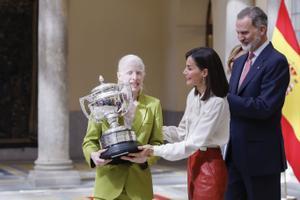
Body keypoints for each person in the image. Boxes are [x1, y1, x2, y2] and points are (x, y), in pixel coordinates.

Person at [124, 47, 230, 200]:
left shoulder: (217, 102)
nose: (184, 72)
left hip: (210, 164)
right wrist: (152, 129)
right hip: (194, 161)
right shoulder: (193, 95)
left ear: (204, 72)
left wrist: (154, 150)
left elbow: (191, 143)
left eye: (189, 68)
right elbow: (182, 133)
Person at [225, 6, 290, 200]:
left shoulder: (276, 61)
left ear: (262, 30)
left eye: (245, 32)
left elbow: (264, 107)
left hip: (261, 158)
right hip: (235, 154)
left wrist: (225, 98)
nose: (240, 37)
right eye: (238, 32)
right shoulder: (238, 62)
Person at [82, 54, 164, 200]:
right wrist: (93, 156)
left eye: (139, 72)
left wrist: (145, 159)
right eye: (129, 72)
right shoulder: (104, 102)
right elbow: (89, 141)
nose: (135, 77)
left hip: (139, 188)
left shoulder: (153, 105)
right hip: (108, 187)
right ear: (119, 76)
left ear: (144, 75)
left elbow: (157, 143)